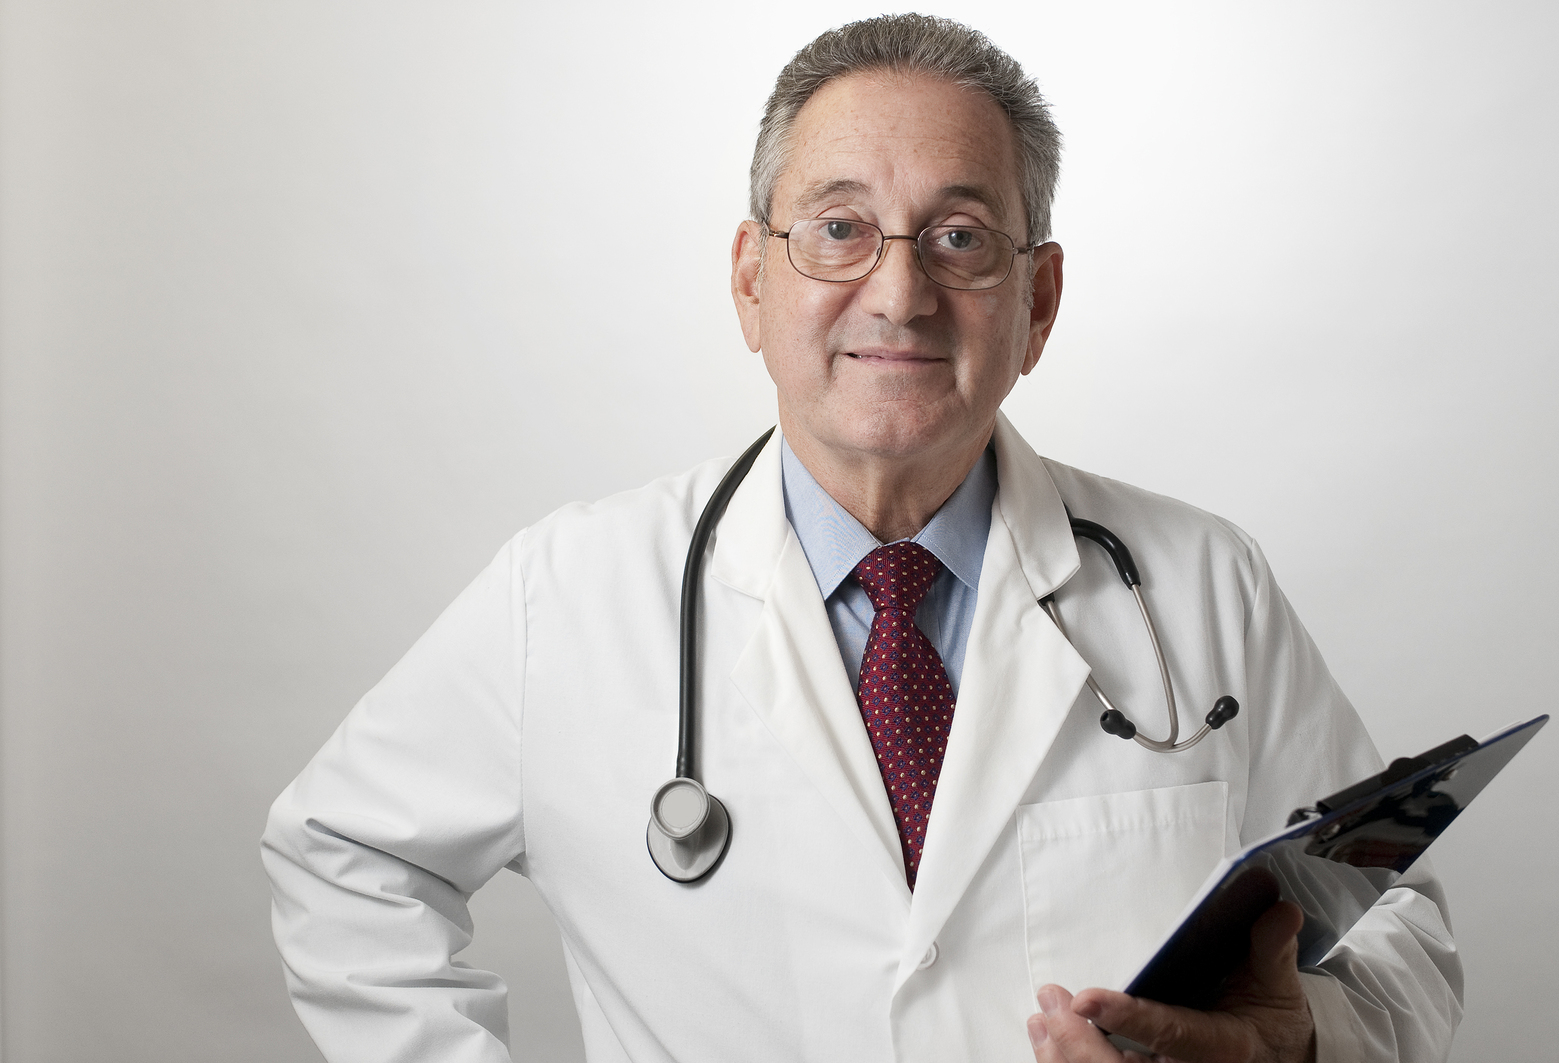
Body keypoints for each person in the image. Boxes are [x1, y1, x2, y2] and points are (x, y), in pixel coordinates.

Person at [263, 14, 1463, 1063]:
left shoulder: (1203, 586)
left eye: (957, 238)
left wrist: (1298, 1040)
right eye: (839, 229)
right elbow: (340, 853)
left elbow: (1395, 919)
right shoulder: (565, 596)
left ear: (1036, 302)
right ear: (750, 281)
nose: (898, 295)